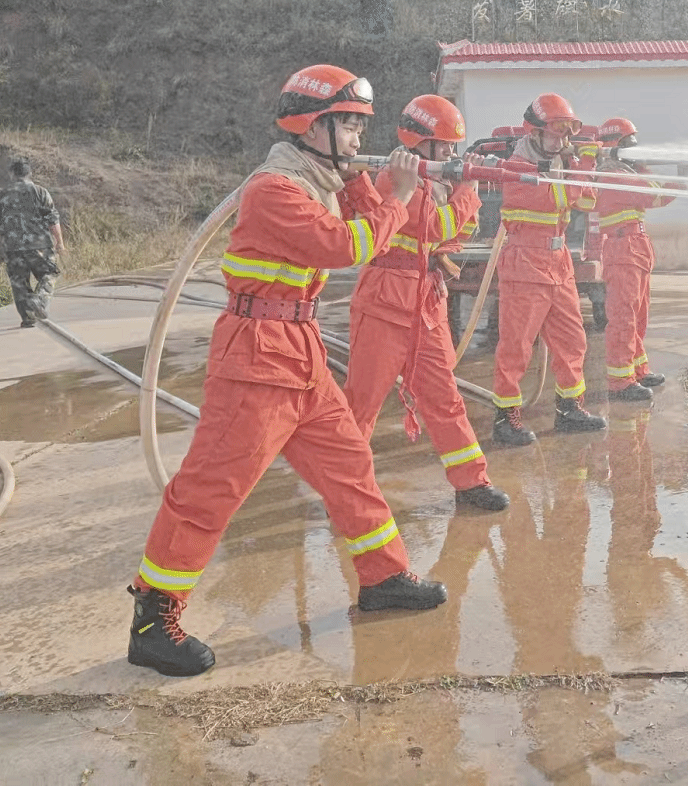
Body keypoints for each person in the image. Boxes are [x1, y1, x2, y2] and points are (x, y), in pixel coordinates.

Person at [125, 64, 445, 678]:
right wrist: (399, 196)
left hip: (300, 351)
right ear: (313, 127)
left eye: (359, 127)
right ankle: (153, 620)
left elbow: (364, 223)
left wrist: (362, 181)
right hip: (256, 356)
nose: (358, 137)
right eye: (349, 125)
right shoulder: (275, 189)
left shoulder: (318, 180)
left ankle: (383, 577)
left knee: (350, 467)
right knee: (210, 490)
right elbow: (344, 247)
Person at [342, 94, 510, 512]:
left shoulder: (435, 182)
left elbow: (460, 232)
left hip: (426, 301)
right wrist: (468, 190)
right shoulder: (394, 177)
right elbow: (434, 227)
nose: (451, 154)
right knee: (362, 404)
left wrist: (460, 190)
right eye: (445, 146)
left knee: (444, 398)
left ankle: (471, 483)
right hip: (385, 302)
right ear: (420, 142)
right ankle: (344, 488)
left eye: (454, 147)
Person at [490, 93, 606, 446]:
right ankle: (505, 419)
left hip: (558, 262)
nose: (563, 140)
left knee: (573, 340)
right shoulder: (517, 168)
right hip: (525, 264)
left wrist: (580, 165)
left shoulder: (561, 165)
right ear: (536, 132)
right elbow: (560, 196)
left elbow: (588, 199)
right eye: (557, 133)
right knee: (516, 347)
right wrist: (584, 165)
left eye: (568, 133)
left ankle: (570, 409)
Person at [590, 118, 687, 401]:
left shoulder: (624, 172)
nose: (635, 149)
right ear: (615, 146)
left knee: (638, 317)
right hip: (623, 250)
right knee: (624, 319)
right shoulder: (612, 175)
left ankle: (638, 370)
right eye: (630, 144)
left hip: (634, 248)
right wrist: (679, 177)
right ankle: (620, 382)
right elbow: (654, 194)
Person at [0, 159, 65, 328]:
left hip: (12, 248)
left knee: (19, 283)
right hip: (39, 246)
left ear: (11, 174)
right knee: (50, 273)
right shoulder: (40, 192)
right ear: (30, 174)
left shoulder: (0, 195)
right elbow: (53, 219)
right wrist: (60, 243)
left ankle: (28, 318)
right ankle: (40, 300)